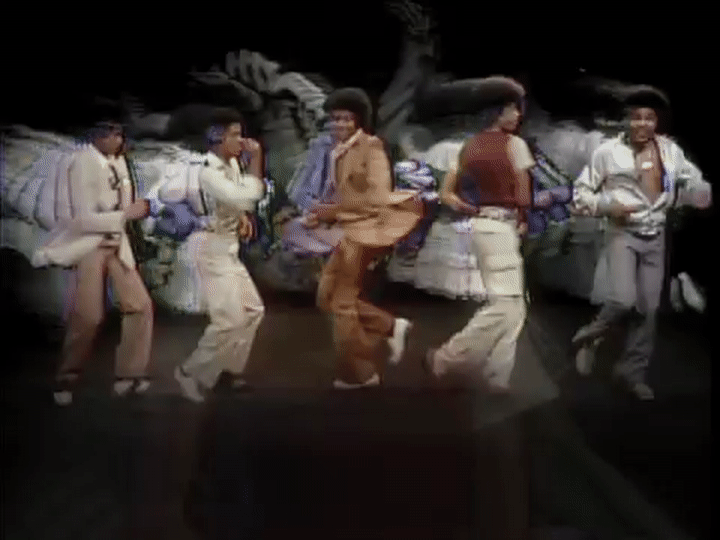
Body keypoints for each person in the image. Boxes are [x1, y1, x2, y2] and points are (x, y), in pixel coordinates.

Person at [571, 86, 712, 400]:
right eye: (636, 117)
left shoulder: (670, 151)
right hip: (623, 233)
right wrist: (608, 206)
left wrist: (697, 192)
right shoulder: (607, 152)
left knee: (648, 310)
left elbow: (692, 180)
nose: (642, 124)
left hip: (656, 235)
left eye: (649, 118)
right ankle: (589, 336)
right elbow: (580, 195)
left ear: (656, 122)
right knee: (622, 300)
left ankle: (631, 373)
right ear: (625, 120)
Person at [305, 87, 423, 389]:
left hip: (367, 231)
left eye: (346, 119)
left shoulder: (371, 147)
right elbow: (346, 195)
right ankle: (390, 326)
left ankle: (360, 374)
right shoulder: (339, 150)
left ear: (358, 120)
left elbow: (377, 197)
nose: (339, 124)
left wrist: (332, 211)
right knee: (325, 297)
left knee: (341, 303)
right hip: (351, 230)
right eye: (334, 119)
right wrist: (324, 214)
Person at [33, 117, 156, 405]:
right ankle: (67, 377)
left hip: (116, 243)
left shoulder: (119, 163)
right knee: (88, 316)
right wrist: (124, 215)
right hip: (89, 244)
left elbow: (125, 204)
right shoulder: (79, 163)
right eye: (112, 134)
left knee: (140, 306)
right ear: (97, 134)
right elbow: (76, 218)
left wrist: (135, 212)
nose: (117, 140)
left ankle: (130, 373)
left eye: (119, 134)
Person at [423, 76, 534, 394]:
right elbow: (523, 195)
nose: (517, 115)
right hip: (502, 227)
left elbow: (447, 194)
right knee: (505, 305)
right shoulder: (515, 145)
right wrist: (526, 215)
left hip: (481, 226)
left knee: (514, 307)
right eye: (511, 109)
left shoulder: (468, 146)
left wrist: (470, 208)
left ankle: (497, 376)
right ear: (496, 112)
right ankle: (447, 358)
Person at [174, 108, 266, 402]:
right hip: (210, 249)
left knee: (252, 310)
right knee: (228, 321)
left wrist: (241, 217)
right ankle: (190, 372)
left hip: (228, 247)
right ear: (217, 138)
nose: (242, 141)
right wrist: (257, 162)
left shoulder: (232, 164)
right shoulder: (208, 171)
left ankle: (228, 370)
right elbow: (244, 196)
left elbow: (238, 203)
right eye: (235, 135)